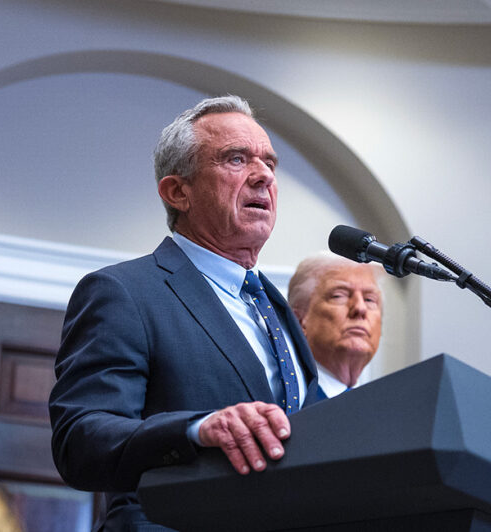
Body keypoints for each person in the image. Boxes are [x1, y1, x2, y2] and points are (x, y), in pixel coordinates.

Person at [49, 95, 320, 530]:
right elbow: (80, 440)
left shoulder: (275, 308)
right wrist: (196, 429)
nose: (263, 176)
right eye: (236, 159)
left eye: (269, 162)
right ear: (178, 192)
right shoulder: (125, 293)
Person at [288, 253, 383, 398]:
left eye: (369, 299)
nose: (360, 308)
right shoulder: (285, 401)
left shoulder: (384, 408)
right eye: (339, 296)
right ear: (299, 320)